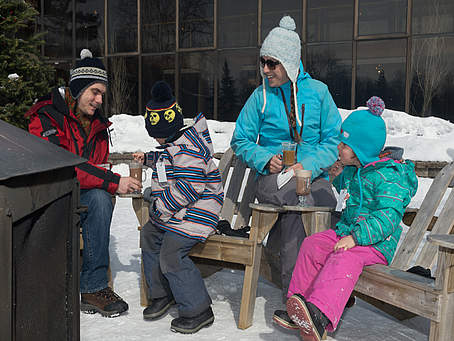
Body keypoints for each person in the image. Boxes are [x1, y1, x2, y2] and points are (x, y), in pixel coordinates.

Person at [281, 97, 418, 341]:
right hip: (350, 233)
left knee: (343, 256)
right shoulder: (358, 169)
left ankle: (320, 314)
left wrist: (355, 239)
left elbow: (386, 218)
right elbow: (354, 191)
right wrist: (338, 177)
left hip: (375, 244)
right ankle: (300, 306)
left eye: (344, 145)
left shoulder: (389, 177)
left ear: (360, 149)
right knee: (313, 244)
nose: (339, 148)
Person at [230, 15, 342, 301]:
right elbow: (240, 140)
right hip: (271, 179)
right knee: (300, 203)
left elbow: (333, 142)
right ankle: (300, 295)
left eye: (272, 63)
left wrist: (309, 165)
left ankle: (308, 287)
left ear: (290, 62)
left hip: (311, 175)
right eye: (262, 62)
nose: (265, 70)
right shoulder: (259, 97)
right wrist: (265, 158)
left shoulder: (318, 93)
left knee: (320, 204)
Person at [26, 49, 141, 317]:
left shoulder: (99, 126)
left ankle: (93, 288)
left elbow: (93, 168)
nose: (100, 100)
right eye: (94, 92)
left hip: (78, 197)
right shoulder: (46, 117)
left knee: (99, 200)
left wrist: (107, 177)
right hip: (46, 197)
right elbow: (61, 166)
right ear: (78, 88)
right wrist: (113, 181)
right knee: (100, 194)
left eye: (102, 93)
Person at [133, 81, 224, 334]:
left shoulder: (189, 149)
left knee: (171, 254)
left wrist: (161, 206)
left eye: (157, 135)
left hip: (198, 212)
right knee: (149, 235)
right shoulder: (174, 144)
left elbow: (190, 186)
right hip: (180, 212)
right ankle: (163, 293)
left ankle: (198, 309)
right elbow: (168, 161)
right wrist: (150, 158)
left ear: (170, 127)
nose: (156, 139)